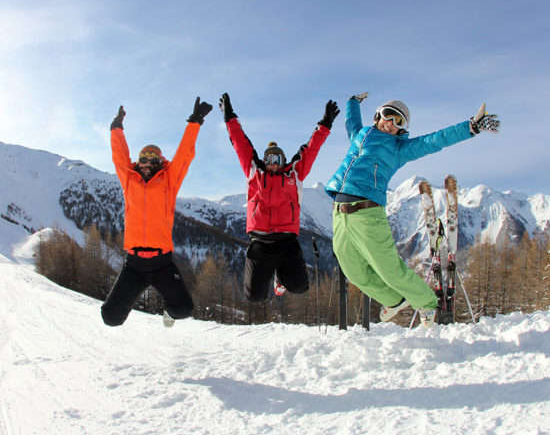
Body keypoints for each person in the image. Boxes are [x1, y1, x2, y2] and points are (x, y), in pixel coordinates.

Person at [325, 93, 500, 328]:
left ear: (401, 130)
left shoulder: (399, 148)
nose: (391, 123)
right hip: (340, 213)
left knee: (389, 270)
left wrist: (470, 127)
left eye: (399, 122)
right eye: (389, 116)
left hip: (367, 213)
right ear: (378, 115)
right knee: (353, 270)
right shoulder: (360, 134)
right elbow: (352, 121)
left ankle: (428, 304)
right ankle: (394, 300)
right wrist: (353, 101)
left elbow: (434, 141)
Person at [101, 97, 212, 326]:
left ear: (160, 162)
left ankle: (168, 312)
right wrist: (116, 127)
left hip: (162, 263)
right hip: (134, 264)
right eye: (143, 157)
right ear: (138, 162)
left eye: (152, 158)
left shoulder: (169, 181)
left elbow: (184, 155)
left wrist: (195, 121)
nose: (146, 161)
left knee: (183, 309)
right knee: (110, 318)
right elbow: (119, 155)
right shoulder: (129, 180)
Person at [219, 92, 339, 302]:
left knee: (300, 287)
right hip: (260, 242)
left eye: (278, 159)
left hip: (287, 242)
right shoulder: (254, 171)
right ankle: (266, 275)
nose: (273, 163)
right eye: (269, 159)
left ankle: (281, 279)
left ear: (284, 161)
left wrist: (325, 124)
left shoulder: (294, 173)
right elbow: (240, 143)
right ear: (264, 160)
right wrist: (229, 117)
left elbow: (311, 149)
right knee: (254, 297)